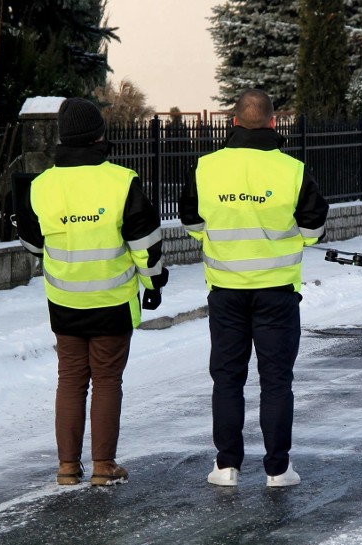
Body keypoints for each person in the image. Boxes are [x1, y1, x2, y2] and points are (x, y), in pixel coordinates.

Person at [180, 89, 329, 487]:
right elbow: (314, 229)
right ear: (273, 123)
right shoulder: (293, 171)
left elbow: (192, 223)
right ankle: (278, 469)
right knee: (276, 379)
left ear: (232, 123)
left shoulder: (206, 168)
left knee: (227, 378)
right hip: (277, 292)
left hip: (225, 289)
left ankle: (226, 466)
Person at [18, 97, 168, 486]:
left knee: (69, 379)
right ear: (99, 135)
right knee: (105, 381)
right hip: (112, 302)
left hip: (64, 301)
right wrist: (152, 283)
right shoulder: (121, 182)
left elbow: (33, 245)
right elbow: (146, 243)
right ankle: (104, 466)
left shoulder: (41, 186)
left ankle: (67, 467)